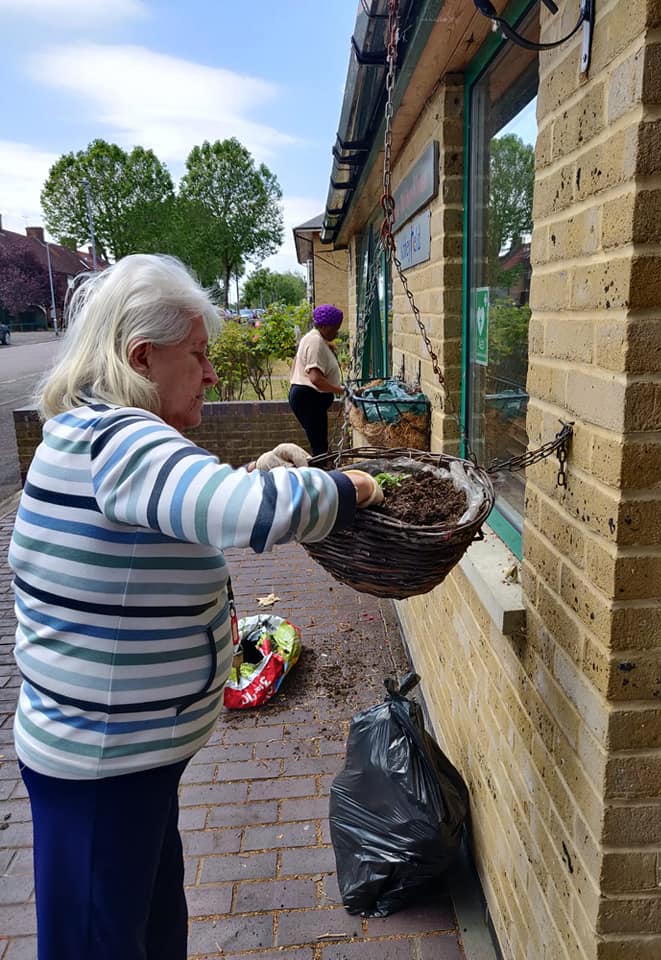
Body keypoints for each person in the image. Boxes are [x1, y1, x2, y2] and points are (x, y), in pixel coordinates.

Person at [8, 254, 382, 960]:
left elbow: (176, 509)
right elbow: (241, 514)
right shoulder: (120, 439)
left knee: (148, 932)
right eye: (199, 355)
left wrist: (254, 473)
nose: (210, 373)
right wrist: (353, 488)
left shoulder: (94, 434)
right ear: (142, 357)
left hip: (127, 763)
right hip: (102, 769)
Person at [288, 303, 346, 456]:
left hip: (309, 398)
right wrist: (341, 390)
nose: (337, 332)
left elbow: (297, 364)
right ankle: (320, 470)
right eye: (335, 328)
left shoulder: (315, 338)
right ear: (325, 326)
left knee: (320, 444)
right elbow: (315, 379)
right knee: (319, 448)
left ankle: (322, 467)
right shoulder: (315, 341)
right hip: (309, 398)